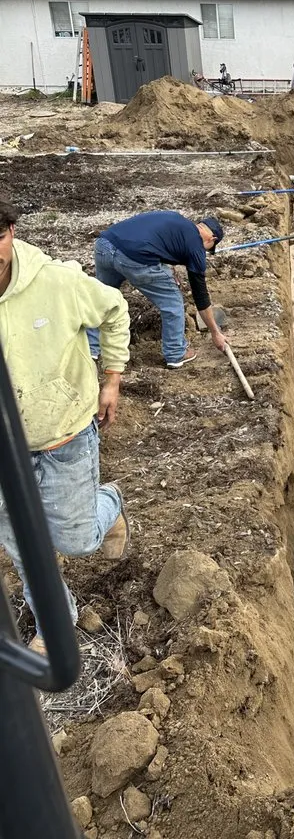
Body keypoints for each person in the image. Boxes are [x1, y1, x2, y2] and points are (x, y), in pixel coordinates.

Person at [0, 199, 131, 654]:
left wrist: (111, 379)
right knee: (23, 547)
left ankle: (109, 503)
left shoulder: (56, 283)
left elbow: (114, 309)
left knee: (73, 541)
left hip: (63, 440)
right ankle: (57, 621)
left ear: (11, 231)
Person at [88, 211, 227, 369]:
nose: (205, 251)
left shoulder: (177, 221)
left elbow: (154, 240)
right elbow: (200, 295)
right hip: (134, 257)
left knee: (101, 299)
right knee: (173, 302)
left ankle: (90, 349)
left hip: (104, 245)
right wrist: (215, 332)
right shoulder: (197, 246)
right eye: (209, 249)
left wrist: (169, 268)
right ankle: (176, 353)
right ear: (212, 239)